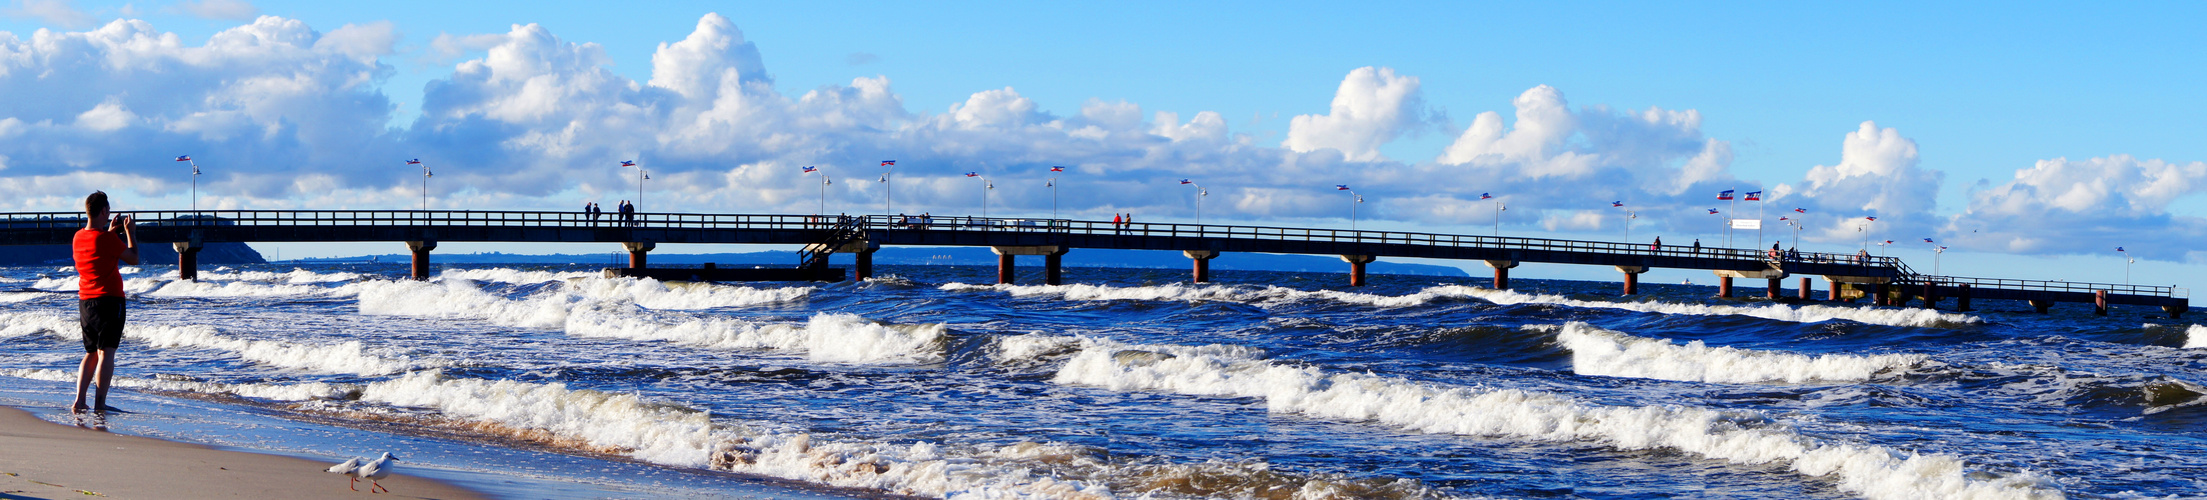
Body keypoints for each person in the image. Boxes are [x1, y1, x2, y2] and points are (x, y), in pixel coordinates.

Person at [72, 191, 138, 415]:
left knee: (91, 352)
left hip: (86, 301)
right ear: (104, 211)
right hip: (109, 300)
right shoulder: (108, 239)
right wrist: (129, 233)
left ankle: (80, 400)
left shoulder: (78, 237)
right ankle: (100, 403)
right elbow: (133, 257)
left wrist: (111, 232)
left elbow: (99, 248)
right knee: (107, 352)